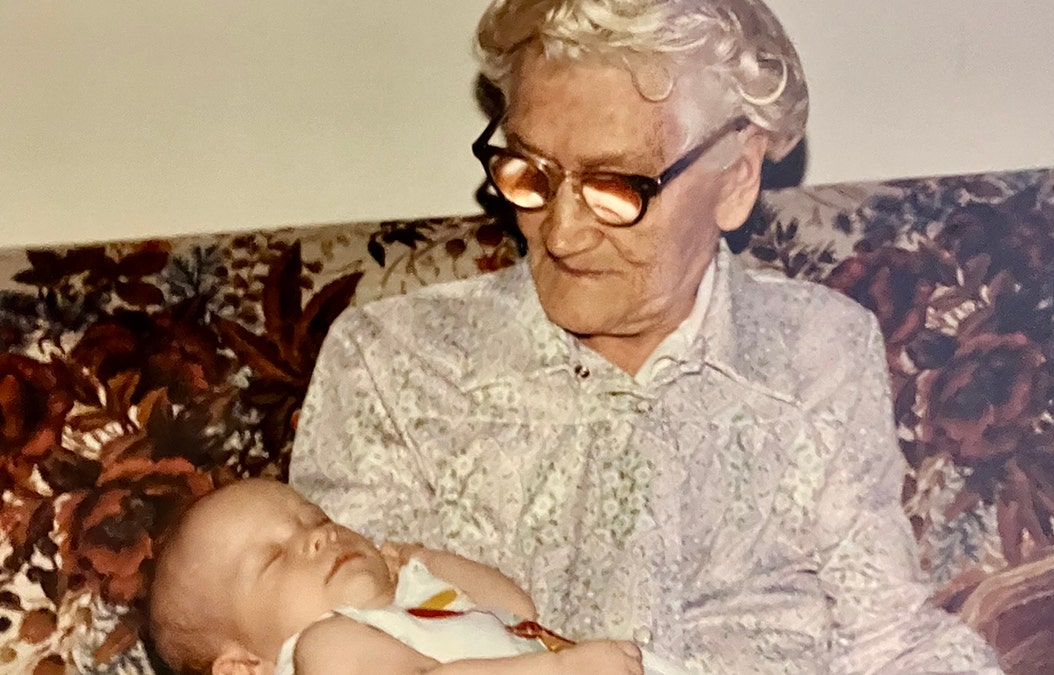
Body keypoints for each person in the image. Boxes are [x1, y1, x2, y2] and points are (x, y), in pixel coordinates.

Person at [289, 0, 1003, 672]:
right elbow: (330, 639)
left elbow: (886, 636)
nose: (562, 233)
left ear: (736, 176)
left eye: (618, 186)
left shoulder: (817, 349)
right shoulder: (393, 362)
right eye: (531, 171)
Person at [148, 479, 691, 675]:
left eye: (316, 518)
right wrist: (564, 671)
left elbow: (519, 614)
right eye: (272, 559)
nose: (317, 538)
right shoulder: (324, 647)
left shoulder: (414, 603)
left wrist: (422, 561)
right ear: (246, 668)